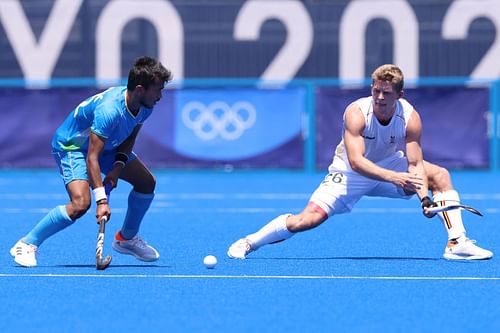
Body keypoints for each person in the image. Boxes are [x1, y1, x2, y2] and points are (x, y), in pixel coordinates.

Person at [227, 64, 493, 261]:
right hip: (349, 172)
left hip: (390, 163)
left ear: (399, 95)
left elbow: (415, 164)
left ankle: (457, 242)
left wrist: (424, 198)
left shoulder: (411, 117)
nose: (379, 98)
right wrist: (394, 178)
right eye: (376, 91)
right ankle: (249, 242)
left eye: (386, 93)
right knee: (307, 220)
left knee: (440, 176)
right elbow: (355, 161)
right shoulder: (356, 113)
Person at [10, 56, 172, 267]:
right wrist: (102, 201)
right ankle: (27, 243)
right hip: (73, 146)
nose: (160, 96)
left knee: (146, 183)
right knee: (80, 204)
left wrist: (117, 169)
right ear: (140, 89)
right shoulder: (110, 110)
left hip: (108, 146)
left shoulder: (145, 105)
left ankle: (127, 239)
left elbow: (130, 137)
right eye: (157, 90)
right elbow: (92, 157)